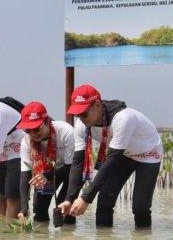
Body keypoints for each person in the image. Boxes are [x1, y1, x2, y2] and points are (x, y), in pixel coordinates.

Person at [61, 84, 162, 228]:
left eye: (84, 114)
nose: (81, 119)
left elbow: (110, 162)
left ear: (97, 105)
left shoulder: (123, 118)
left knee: (140, 208)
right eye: (77, 114)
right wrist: (69, 199)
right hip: (124, 154)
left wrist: (85, 197)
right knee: (104, 203)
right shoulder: (81, 125)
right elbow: (78, 162)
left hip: (148, 154)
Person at [16, 101, 76, 226]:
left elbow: (71, 168)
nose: (33, 134)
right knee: (39, 209)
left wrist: (47, 175)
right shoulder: (26, 142)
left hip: (70, 170)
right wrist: (23, 208)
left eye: (36, 129)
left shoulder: (66, 131)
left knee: (63, 206)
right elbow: (25, 175)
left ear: (47, 122)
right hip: (47, 173)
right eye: (28, 130)